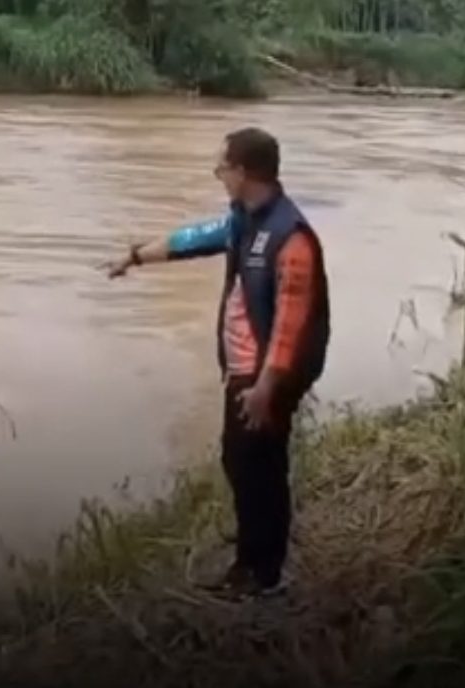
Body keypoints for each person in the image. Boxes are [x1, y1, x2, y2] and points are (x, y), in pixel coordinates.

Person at [101, 127, 330, 598]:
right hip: (245, 370)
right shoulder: (245, 219)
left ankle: (262, 573)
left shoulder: (291, 238)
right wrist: (135, 257)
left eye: (221, 167)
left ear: (243, 172)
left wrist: (267, 387)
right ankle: (255, 544)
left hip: (267, 375)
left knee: (259, 467)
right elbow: (193, 239)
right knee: (240, 460)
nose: (218, 175)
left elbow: (289, 326)